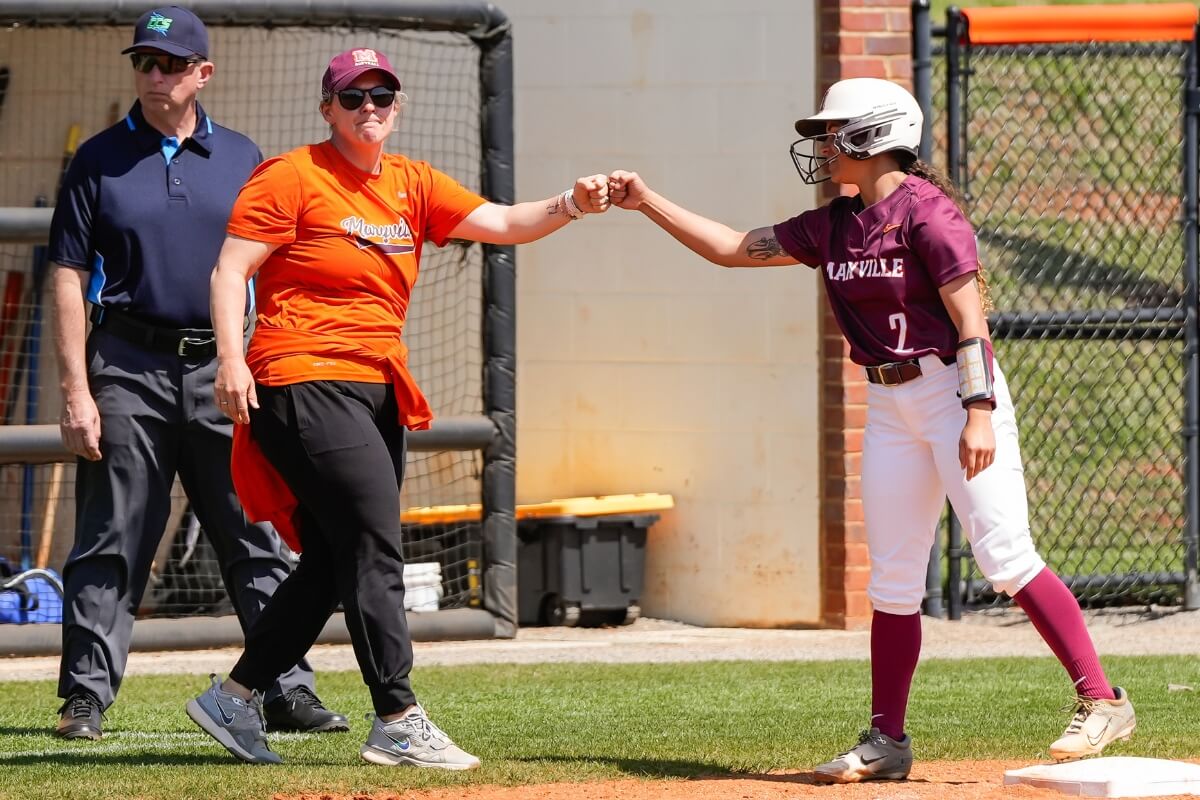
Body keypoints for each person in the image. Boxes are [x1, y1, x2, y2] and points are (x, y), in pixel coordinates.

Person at [606, 78, 1136, 783]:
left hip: (953, 391)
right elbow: (733, 247)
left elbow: (971, 322)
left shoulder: (929, 214)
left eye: (834, 132)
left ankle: (1102, 700)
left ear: (874, 134)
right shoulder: (833, 223)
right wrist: (647, 202)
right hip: (889, 402)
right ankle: (887, 740)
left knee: (1004, 555)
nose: (823, 146)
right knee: (892, 579)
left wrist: (978, 411)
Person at [185, 46, 611, 768]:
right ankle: (398, 718)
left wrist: (572, 203)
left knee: (331, 558)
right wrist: (230, 360)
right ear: (328, 109)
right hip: (297, 375)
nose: (369, 108)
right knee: (376, 543)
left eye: (382, 95)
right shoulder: (291, 176)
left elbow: (505, 223)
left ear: (397, 106)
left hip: (374, 385)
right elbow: (230, 271)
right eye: (353, 98)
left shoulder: (412, 183)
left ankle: (233, 697)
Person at [47, 5, 347, 740]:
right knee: (110, 538)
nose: (154, 76)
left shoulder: (247, 158)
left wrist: (268, 363)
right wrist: (76, 391)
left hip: (226, 369)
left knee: (256, 535)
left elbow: (276, 268)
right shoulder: (95, 159)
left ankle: (284, 688)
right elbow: (65, 275)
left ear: (203, 73)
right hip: (124, 366)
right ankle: (85, 698)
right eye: (144, 63)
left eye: (171, 64)